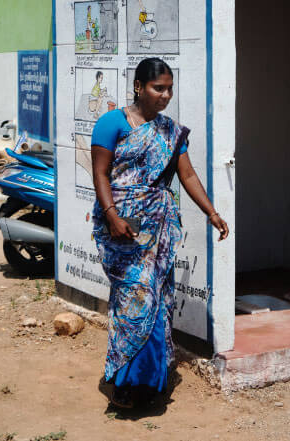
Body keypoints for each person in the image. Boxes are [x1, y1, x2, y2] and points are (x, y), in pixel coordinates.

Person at [90, 57, 229, 409]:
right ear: (139, 87)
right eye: (158, 88)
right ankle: (126, 380)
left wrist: (211, 212)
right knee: (134, 300)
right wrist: (112, 215)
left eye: (169, 89)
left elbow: (189, 175)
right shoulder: (111, 123)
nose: (165, 95)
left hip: (159, 231)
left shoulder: (171, 131)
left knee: (156, 300)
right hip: (121, 229)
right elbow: (101, 173)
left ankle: (149, 382)